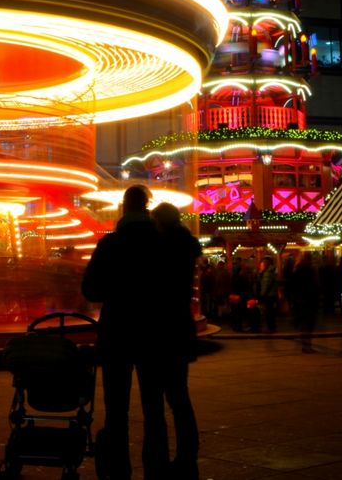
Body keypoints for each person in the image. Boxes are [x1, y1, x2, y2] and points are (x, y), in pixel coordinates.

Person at [83, 185, 191, 479]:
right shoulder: (164, 244)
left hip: (117, 333)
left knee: (116, 409)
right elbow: (174, 290)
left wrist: (116, 290)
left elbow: (90, 289)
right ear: (146, 207)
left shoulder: (110, 244)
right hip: (154, 335)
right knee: (154, 408)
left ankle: (118, 470)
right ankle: (156, 469)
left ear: (124, 209)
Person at [150, 201, 203, 480]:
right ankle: (188, 450)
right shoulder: (186, 248)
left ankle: (170, 454)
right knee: (179, 394)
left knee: (162, 396)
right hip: (181, 328)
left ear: (161, 222)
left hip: (163, 329)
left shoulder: (163, 248)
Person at [258, 255, 278, 333]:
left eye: (262, 265)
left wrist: (262, 295)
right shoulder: (269, 272)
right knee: (270, 312)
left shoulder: (268, 273)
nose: (260, 266)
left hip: (269, 295)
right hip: (271, 295)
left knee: (269, 312)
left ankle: (271, 328)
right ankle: (271, 327)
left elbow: (265, 285)